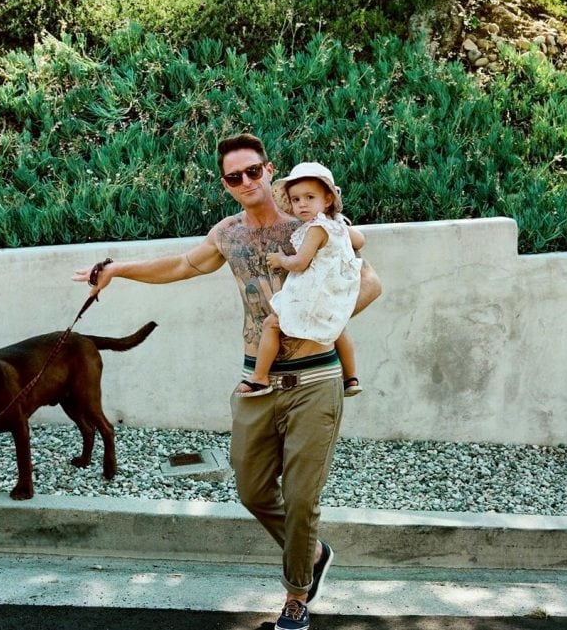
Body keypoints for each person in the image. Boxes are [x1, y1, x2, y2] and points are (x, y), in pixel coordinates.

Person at [73, 133, 381, 630]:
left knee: (303, 498)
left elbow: (370, 281)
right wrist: (117, 269)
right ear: (226, 183)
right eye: (234, 176)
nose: (246, 182)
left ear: (269, 170)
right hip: (256, 380)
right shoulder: (229, 234)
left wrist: (316, 324)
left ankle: (296, 595)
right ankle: (313, 553)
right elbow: (181, 265)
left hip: (314, 378)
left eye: (254, 171)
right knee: (254, 491)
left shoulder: (312, 227)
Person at [235, 161, 364, 399]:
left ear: (327, 200)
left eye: (309, 197)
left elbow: (300, 263)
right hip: (335, 293)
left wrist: (281, 260)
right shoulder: (338, 225)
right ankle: (351, 378)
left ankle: (260, 377)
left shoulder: (316, 228)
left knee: (271, 324)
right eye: (296, 200)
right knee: (337, 329)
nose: (302, 204)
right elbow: (361, 241)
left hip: (312, 292)